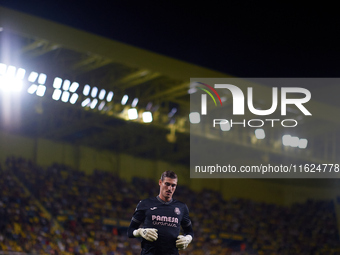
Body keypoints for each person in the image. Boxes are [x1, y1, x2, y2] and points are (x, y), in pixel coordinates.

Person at [127, 171, 193, 255]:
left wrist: (187, 239)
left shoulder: (182, 207)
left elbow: (190, 232)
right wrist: (140, 232)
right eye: (167, 184)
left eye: (173, 185)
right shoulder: (145, 204)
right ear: (160, 182)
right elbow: (130, 231)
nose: (170, 188)